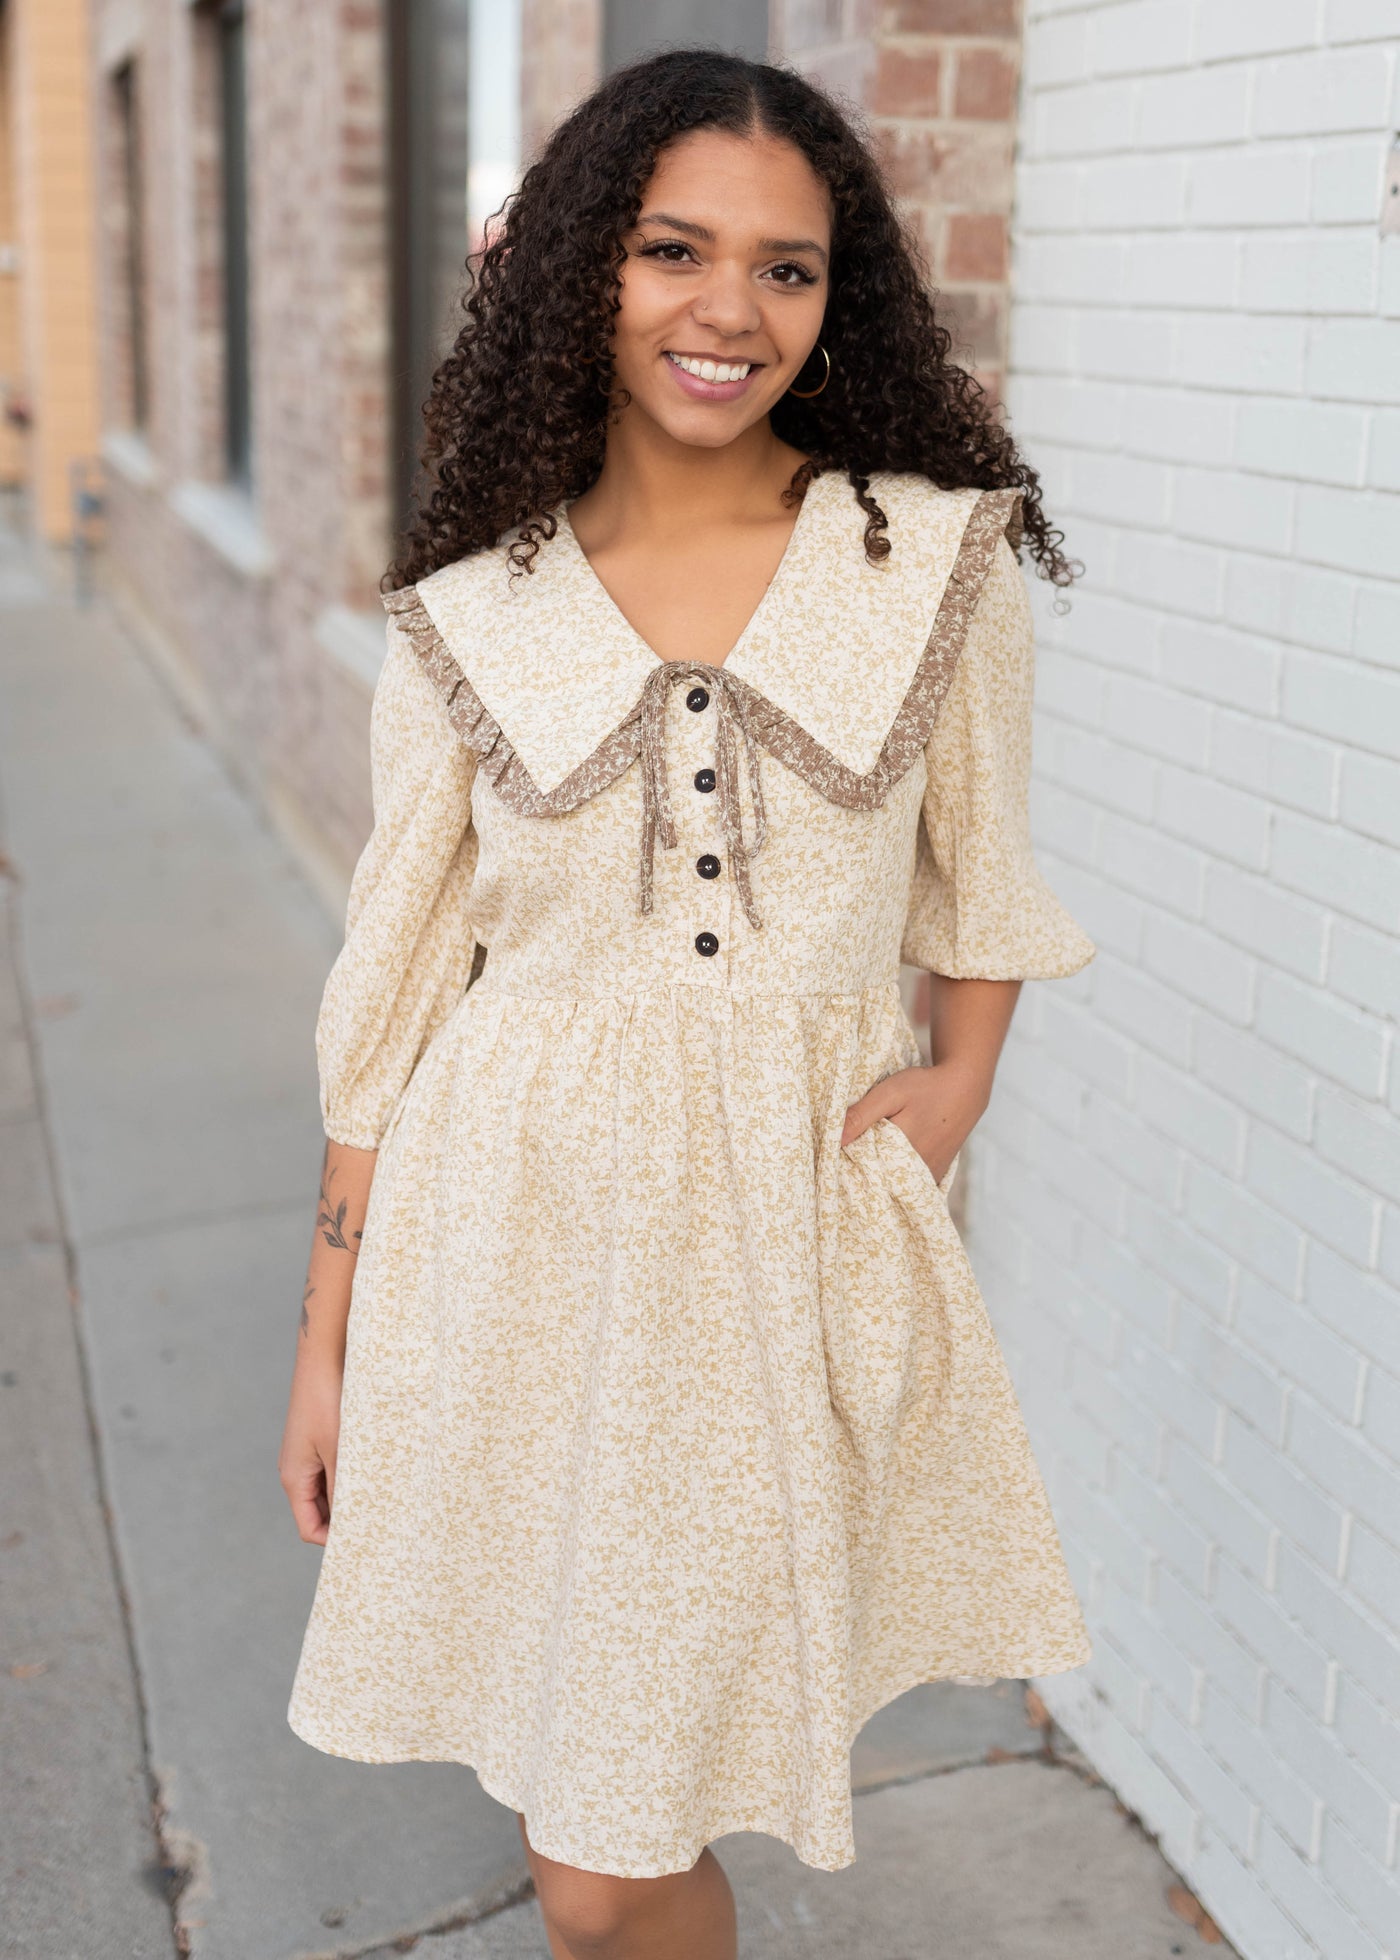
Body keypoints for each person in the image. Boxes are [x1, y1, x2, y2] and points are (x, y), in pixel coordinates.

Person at [280, 48, 1094, 1960]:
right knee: (598, 1836)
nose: (732, 310)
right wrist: (326, 1341)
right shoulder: (474, 611)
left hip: (777, 1252)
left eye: (789, 269)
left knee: (621, 1834)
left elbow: (979, 876)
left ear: (841, 299)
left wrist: (960, 1076)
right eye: (673, 250)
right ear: (585, 268)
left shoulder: (933, 562)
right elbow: (393, 998)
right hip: (515, 1247)